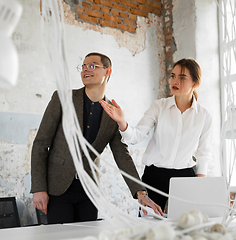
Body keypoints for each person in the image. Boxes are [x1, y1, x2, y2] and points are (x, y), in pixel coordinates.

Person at [30, 52, 163, 224]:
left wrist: (140, 193)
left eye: (92, 65)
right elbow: (41, 144)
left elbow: (122, 155)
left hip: (89, 191)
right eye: (83, 66)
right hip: (57, 187)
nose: (85, 69)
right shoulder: (63, 99)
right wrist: (39, 188)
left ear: (107, 71)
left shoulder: (113, 113)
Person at [100, 58, 213, 211]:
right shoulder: (159, 106)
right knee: (150, 229)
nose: (175, 81)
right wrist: (122, 122)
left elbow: (203, 154)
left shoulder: (204, 116)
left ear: (195, 83)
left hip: (185, 178)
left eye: (182, 77)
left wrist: (199, 187)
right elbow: (136, 136)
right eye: (173, 76)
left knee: (185, 227)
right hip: (154, 177)